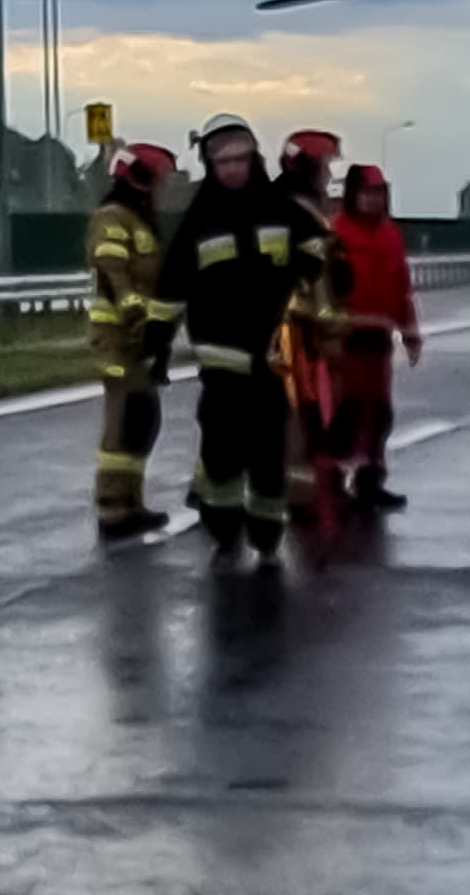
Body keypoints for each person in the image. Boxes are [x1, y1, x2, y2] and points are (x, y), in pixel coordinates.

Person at [164, 113, 327, 567]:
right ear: (211, 166)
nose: (233, 169)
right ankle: (222, 524)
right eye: (223, 162)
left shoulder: (281, 208)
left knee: (268, 451)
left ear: (253, 158)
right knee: (220, 451)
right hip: (221, 364)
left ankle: (268, 531)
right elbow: (169, 290)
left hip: (272, 361)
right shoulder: (199, 220)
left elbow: (318, 248)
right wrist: (155, 349)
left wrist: (322, 272)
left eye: (240, 159)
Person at [85, 140, 177, 537]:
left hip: (137, 339)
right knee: (125, 419)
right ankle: (112, 507)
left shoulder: (139, 221)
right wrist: (137, 315)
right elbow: (112, 270)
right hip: (117, 337)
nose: (162, 188)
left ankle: (130, 502)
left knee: (141, 419)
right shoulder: (112, 218)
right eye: (159, 180)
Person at [328, 161, 423, 509]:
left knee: (379, 412)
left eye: (378, 194)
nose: (373, 200)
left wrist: (410, 330)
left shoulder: (390, 235)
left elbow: (401, 287)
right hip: (343, 339)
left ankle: (370, 480)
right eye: (367, 193)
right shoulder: (335, 232)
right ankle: (333, 481)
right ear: (353, 195)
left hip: (379, 339)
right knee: (345, 413)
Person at [272, 128, 347, 516]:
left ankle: (316, 482)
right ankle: (298, 493)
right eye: (324, 167)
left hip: (310, 327)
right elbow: (310, 276)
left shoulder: (300, 206)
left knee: (315, 409)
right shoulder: (293, 210)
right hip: (298, 328)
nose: (329, 176)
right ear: (306, 167)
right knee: (300, 410)